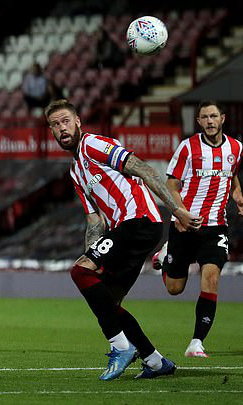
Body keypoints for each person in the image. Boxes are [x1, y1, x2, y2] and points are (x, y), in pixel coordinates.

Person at [45, 99, 202, 380]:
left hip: (139, 221)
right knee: (108, 302)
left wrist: (176, 210)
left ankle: (121, 348)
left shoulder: (94, 145)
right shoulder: (75, 170)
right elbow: (95, 220)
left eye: (65, 121)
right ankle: (155, 362)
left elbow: (142, 168)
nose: (61, 128)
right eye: (55, 125)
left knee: (79, 272)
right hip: (126, 229)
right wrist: (92, 255)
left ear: (78, 121)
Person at [152, 100, 243, 358]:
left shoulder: (236, 148)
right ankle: (165, 255)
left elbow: (233, 173)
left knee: (211, 277)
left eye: (214, 116)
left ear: (223, 118)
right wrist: (180, 214)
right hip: (184, 224)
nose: (210, 121)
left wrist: (237, 193)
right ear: (199, 121)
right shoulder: (187, 148)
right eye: (205, 117)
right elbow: (171, 186)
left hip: (215, 226)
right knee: (174, 288)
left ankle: (196, 342)